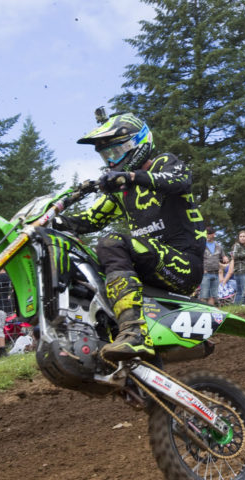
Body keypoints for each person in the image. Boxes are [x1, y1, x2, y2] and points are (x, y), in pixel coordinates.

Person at [55, 111, 205, 361]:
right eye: (106, 155)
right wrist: (57, 221)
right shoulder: (121, 191)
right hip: (150, 271)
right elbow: (91, 220)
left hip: (184, 265)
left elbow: (179, 181)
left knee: (112, 242)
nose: (111, 161)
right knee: (90, 261)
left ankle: (134, 332)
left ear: (138, 144)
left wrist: (131, 176)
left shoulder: (164, 163)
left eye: (116, 152)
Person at [200, 227, 222, 305]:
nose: (207, 235)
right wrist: (202, 270)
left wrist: (225, 258)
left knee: (214, 296)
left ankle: (212, 313)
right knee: (204, 295)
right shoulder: (201, 245)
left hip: (216, 273)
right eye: (206, 234)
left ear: (213, 234)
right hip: (205, 273)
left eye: (209, 234)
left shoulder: (218, 246)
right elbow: (198, 258)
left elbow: (222, 257)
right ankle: (202, 312)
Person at [230, 231, 245, 304]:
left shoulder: (243, 246)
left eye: (244, 236)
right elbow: (234, 255)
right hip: (240, 271)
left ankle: (237, 307)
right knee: (243, 290)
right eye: (241, 236)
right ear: (238, 238)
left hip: (243, 270)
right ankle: (243, 305)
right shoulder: (237, 245)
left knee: (240, 291)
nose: (242, 238)